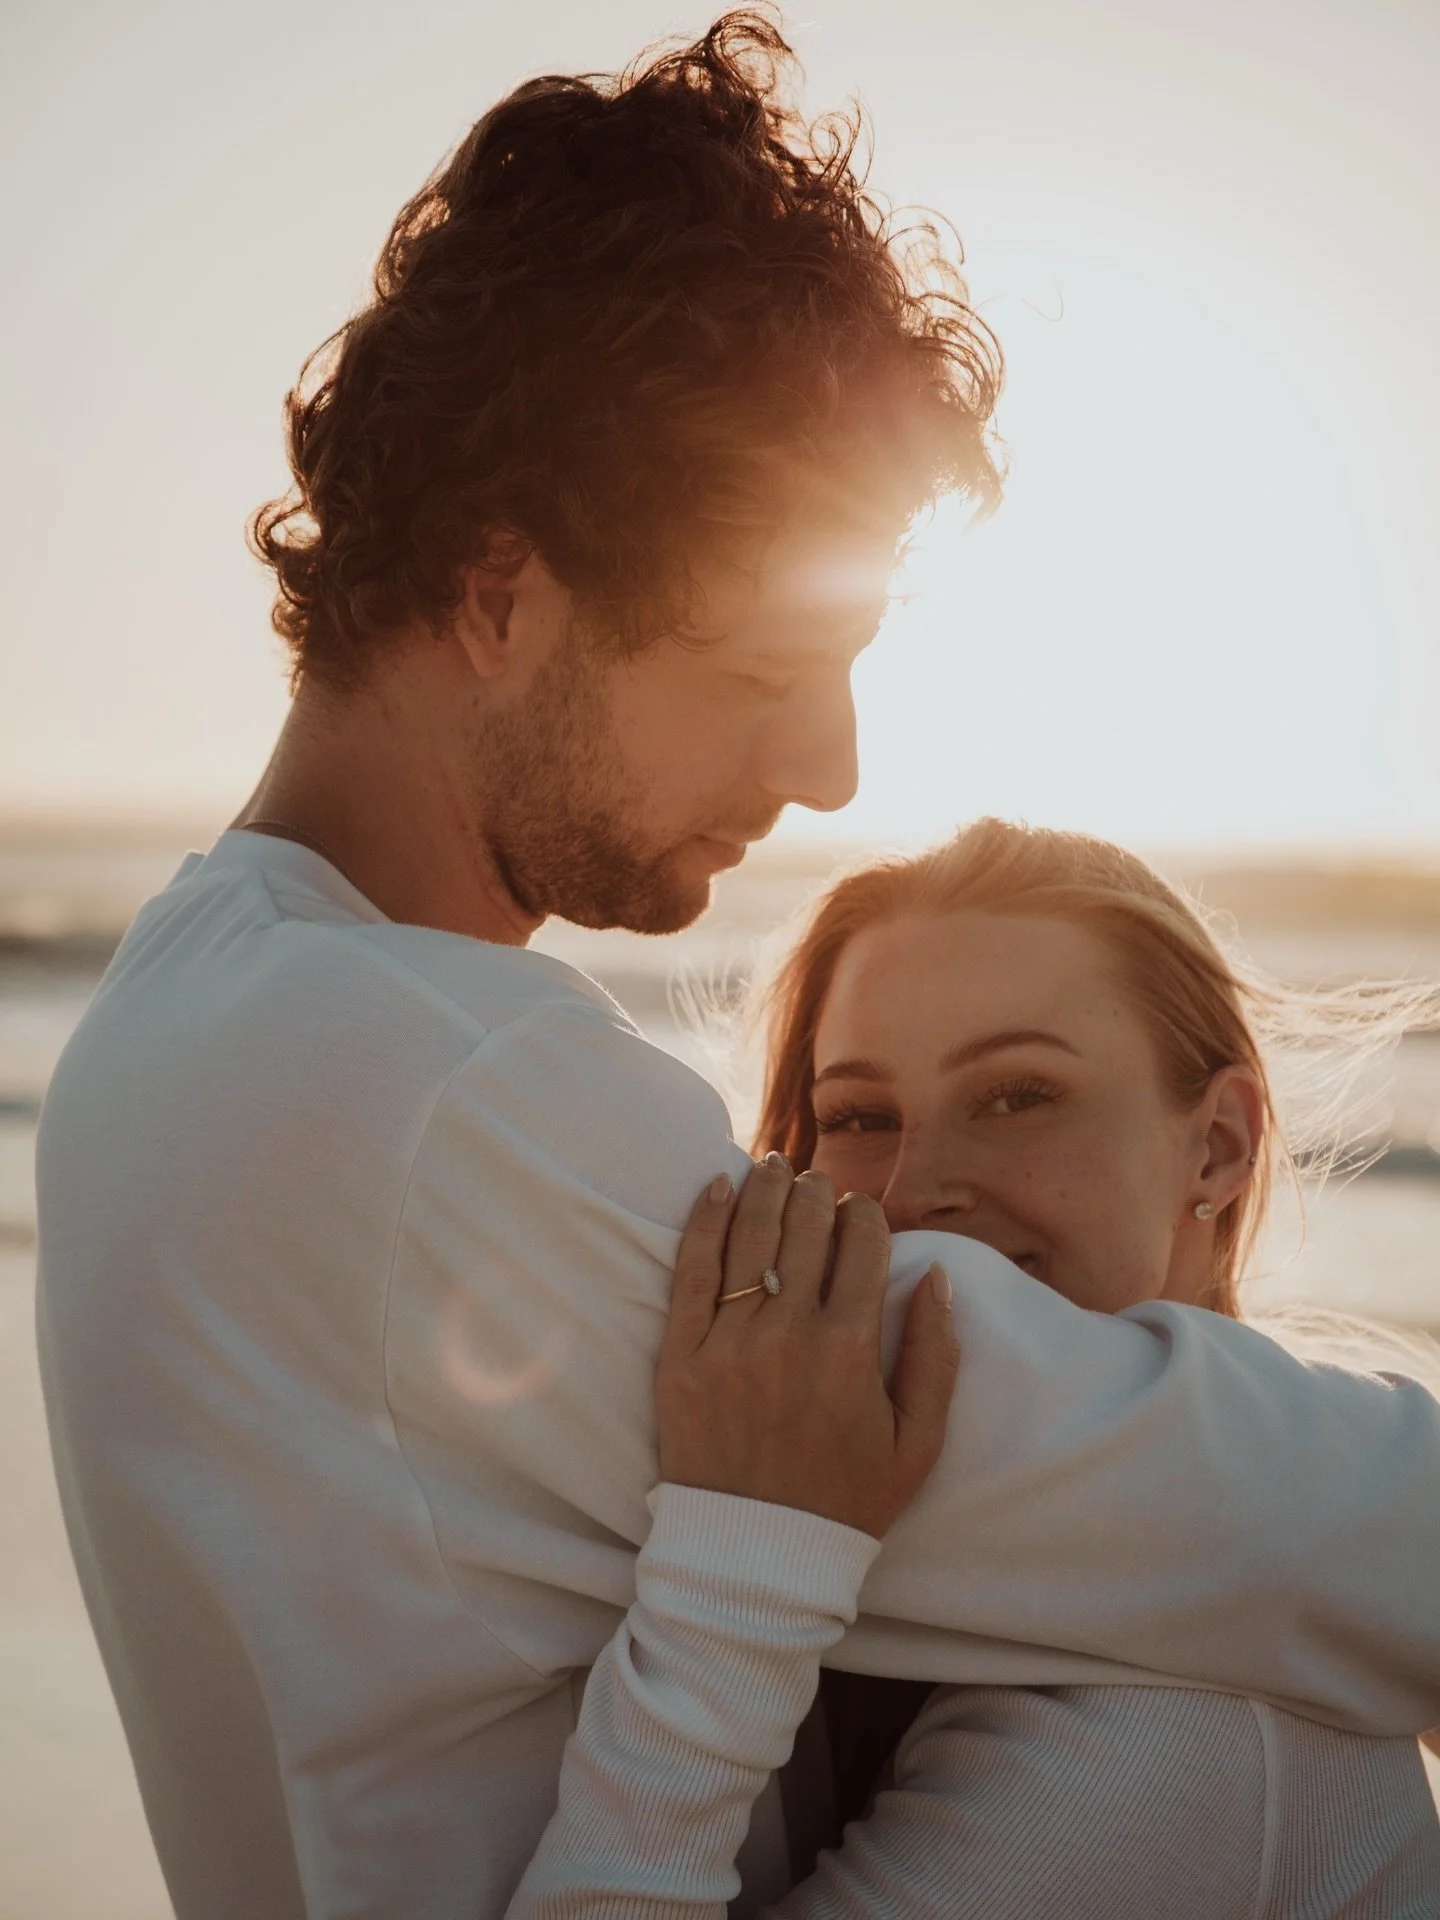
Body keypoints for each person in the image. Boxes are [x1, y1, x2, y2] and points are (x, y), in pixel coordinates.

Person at [31, 15, 1440, 1920]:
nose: (832, 771)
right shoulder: (435, 1087)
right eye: (767, 670)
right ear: (503, 593)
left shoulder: (170, 1023)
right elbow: (1196, 1500)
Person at [508, 819, 1440, 1918]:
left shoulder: (1183, 1729)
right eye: (859, 1116)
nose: (914, 1191)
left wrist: (733, 1583)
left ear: (1219, 1145)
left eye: (1017, 1096)